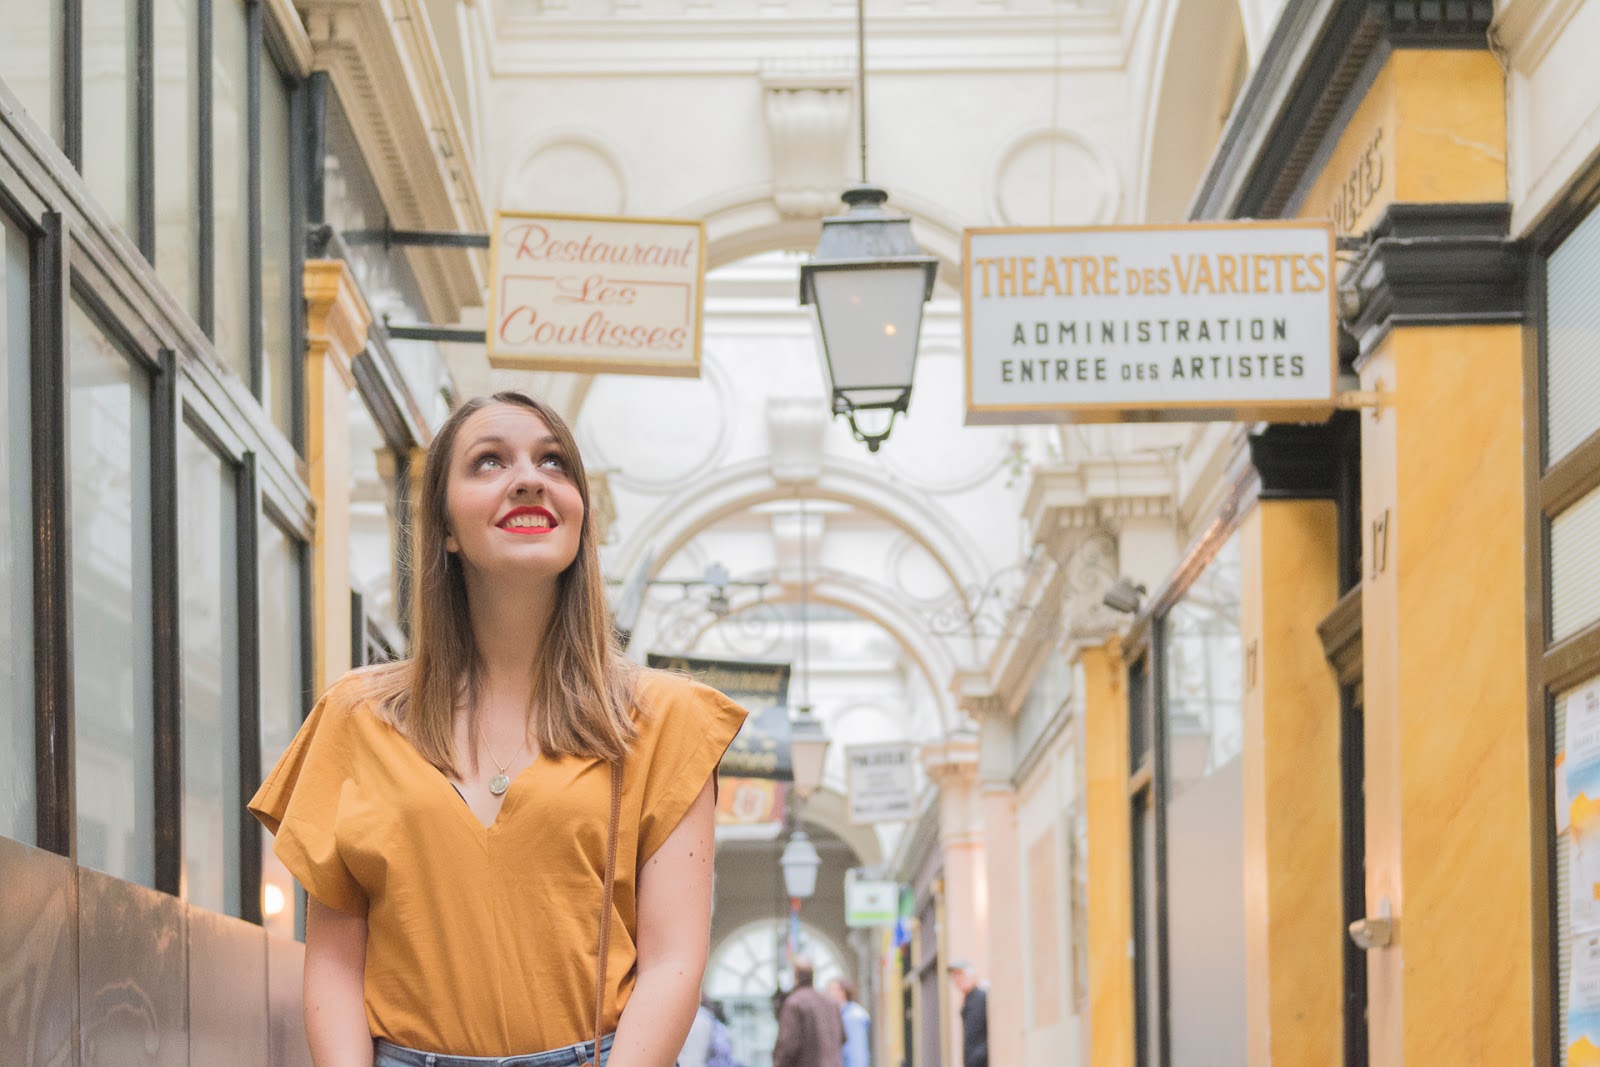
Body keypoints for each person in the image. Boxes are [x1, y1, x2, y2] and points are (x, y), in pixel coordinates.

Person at [249, 391, 748, 1067]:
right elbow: (335, 963)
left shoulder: (663, 722)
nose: (528, 477)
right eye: (489, 461)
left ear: (579, 516)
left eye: (554, 462)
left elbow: (673, 963)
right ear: (446, 527)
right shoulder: (356, 718)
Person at [772, 957, 846, 1067]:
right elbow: (842, 1038)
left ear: (795, 978)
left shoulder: (795, 1003)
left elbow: (787, 1046)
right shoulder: (831, 1003)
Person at [946, 961, 988, 1067]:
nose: (957, 980)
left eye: (960, 975)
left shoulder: (981, 998)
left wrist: (980, 1056)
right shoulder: (967, 1002)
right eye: (954, 976)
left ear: (972, 976)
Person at [825, 979, 870, 1067]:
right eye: (830, 990)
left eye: (835, 990)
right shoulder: (841, 1014)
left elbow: (857, 1054)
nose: (830, 994)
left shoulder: (852, 1016)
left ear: (844, 992)